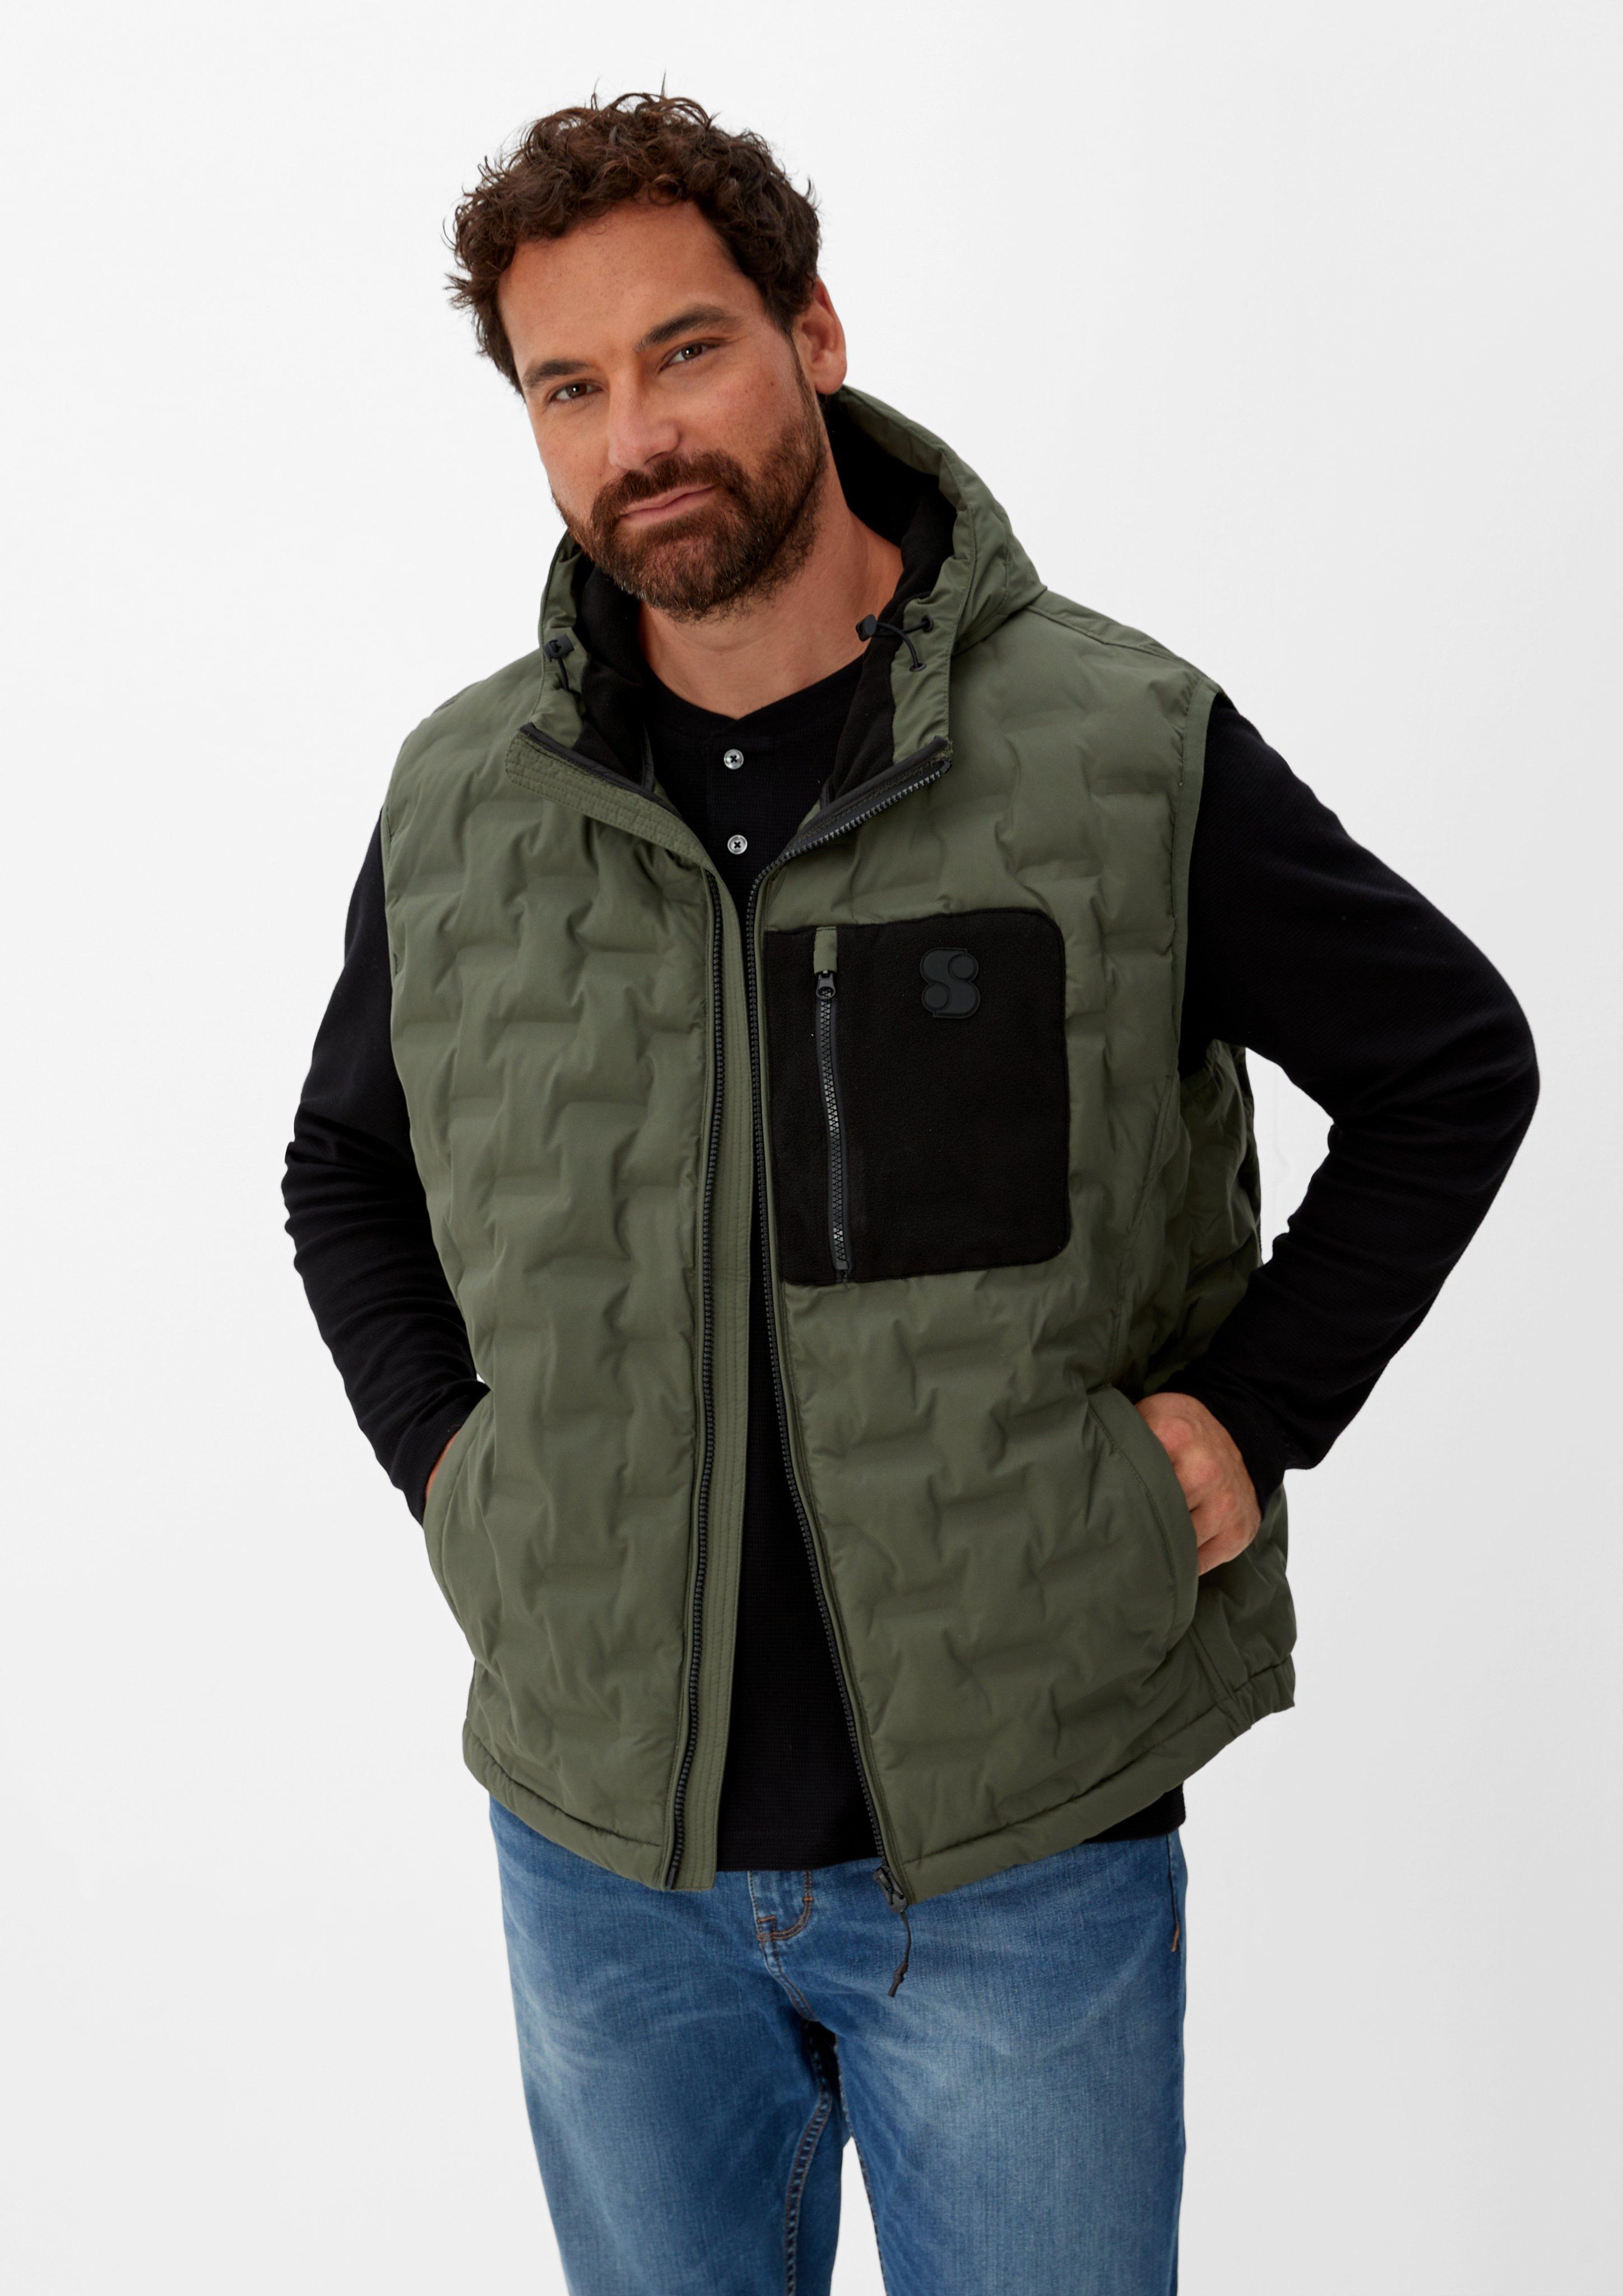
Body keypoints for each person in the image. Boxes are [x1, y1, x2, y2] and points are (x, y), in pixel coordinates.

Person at [281, 91, 1538, 2296]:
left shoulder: (1115, 748)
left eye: (685, 351)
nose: (635, 436)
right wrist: (457, 1470)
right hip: (601, 1860)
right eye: (568, 387)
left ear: (815, 334)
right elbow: (343, 1163)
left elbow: (1449, 1065)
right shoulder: (468, 797)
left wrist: (1251, 1415)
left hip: (1019, 1852)